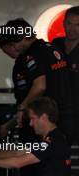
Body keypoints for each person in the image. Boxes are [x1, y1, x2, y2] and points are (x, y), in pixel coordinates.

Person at [0, 18, 73, 144]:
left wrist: (21, 109)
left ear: (25, 36)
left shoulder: (33, 54)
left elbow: (40, 86)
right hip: (62, 120)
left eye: (14, 43)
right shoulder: (53, 48)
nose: (13, 47)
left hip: (43, 123)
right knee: (58, 160)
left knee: (35, 160)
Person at [0, 97, 71, 176]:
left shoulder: (50, 142)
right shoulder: (50, 138)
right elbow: (17, 153)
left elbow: (17, 163)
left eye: (33, 118)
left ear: (43, 117)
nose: (30, 124)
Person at [52, 6, 79, 144]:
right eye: (69, 23)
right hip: (57, 111)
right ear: (63, 23)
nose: (72, 28)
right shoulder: (55, 45)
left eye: (77, 25)